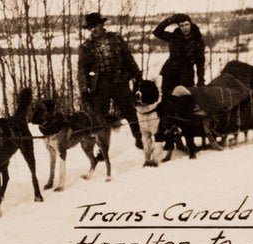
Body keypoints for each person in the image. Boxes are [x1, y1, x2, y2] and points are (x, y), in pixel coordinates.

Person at [77, 12, 144, 149]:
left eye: (95, 26)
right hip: (100, 84)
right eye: (91, 28)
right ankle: (102, 149)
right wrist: (84, 91)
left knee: (130, 111)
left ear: (102, 25)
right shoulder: (86, 47)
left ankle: (139, 138)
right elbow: (82, 71)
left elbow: (128, 58)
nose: (93, 30)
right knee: (100, 118)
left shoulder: (116, 39)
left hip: (119, 81)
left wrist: (137, 75)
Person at [153, 13, 206, 96]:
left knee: (184, 100)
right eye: (181, 25)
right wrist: (171, 20)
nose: (185, 28)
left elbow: (200, 61)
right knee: (167, 100)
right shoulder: (174, 37)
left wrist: (201, 80)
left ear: (191, 24)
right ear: (178, 27)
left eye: (187, 24)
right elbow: (157, 32)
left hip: (186, 76)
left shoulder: (197, 40)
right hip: (170, 73)